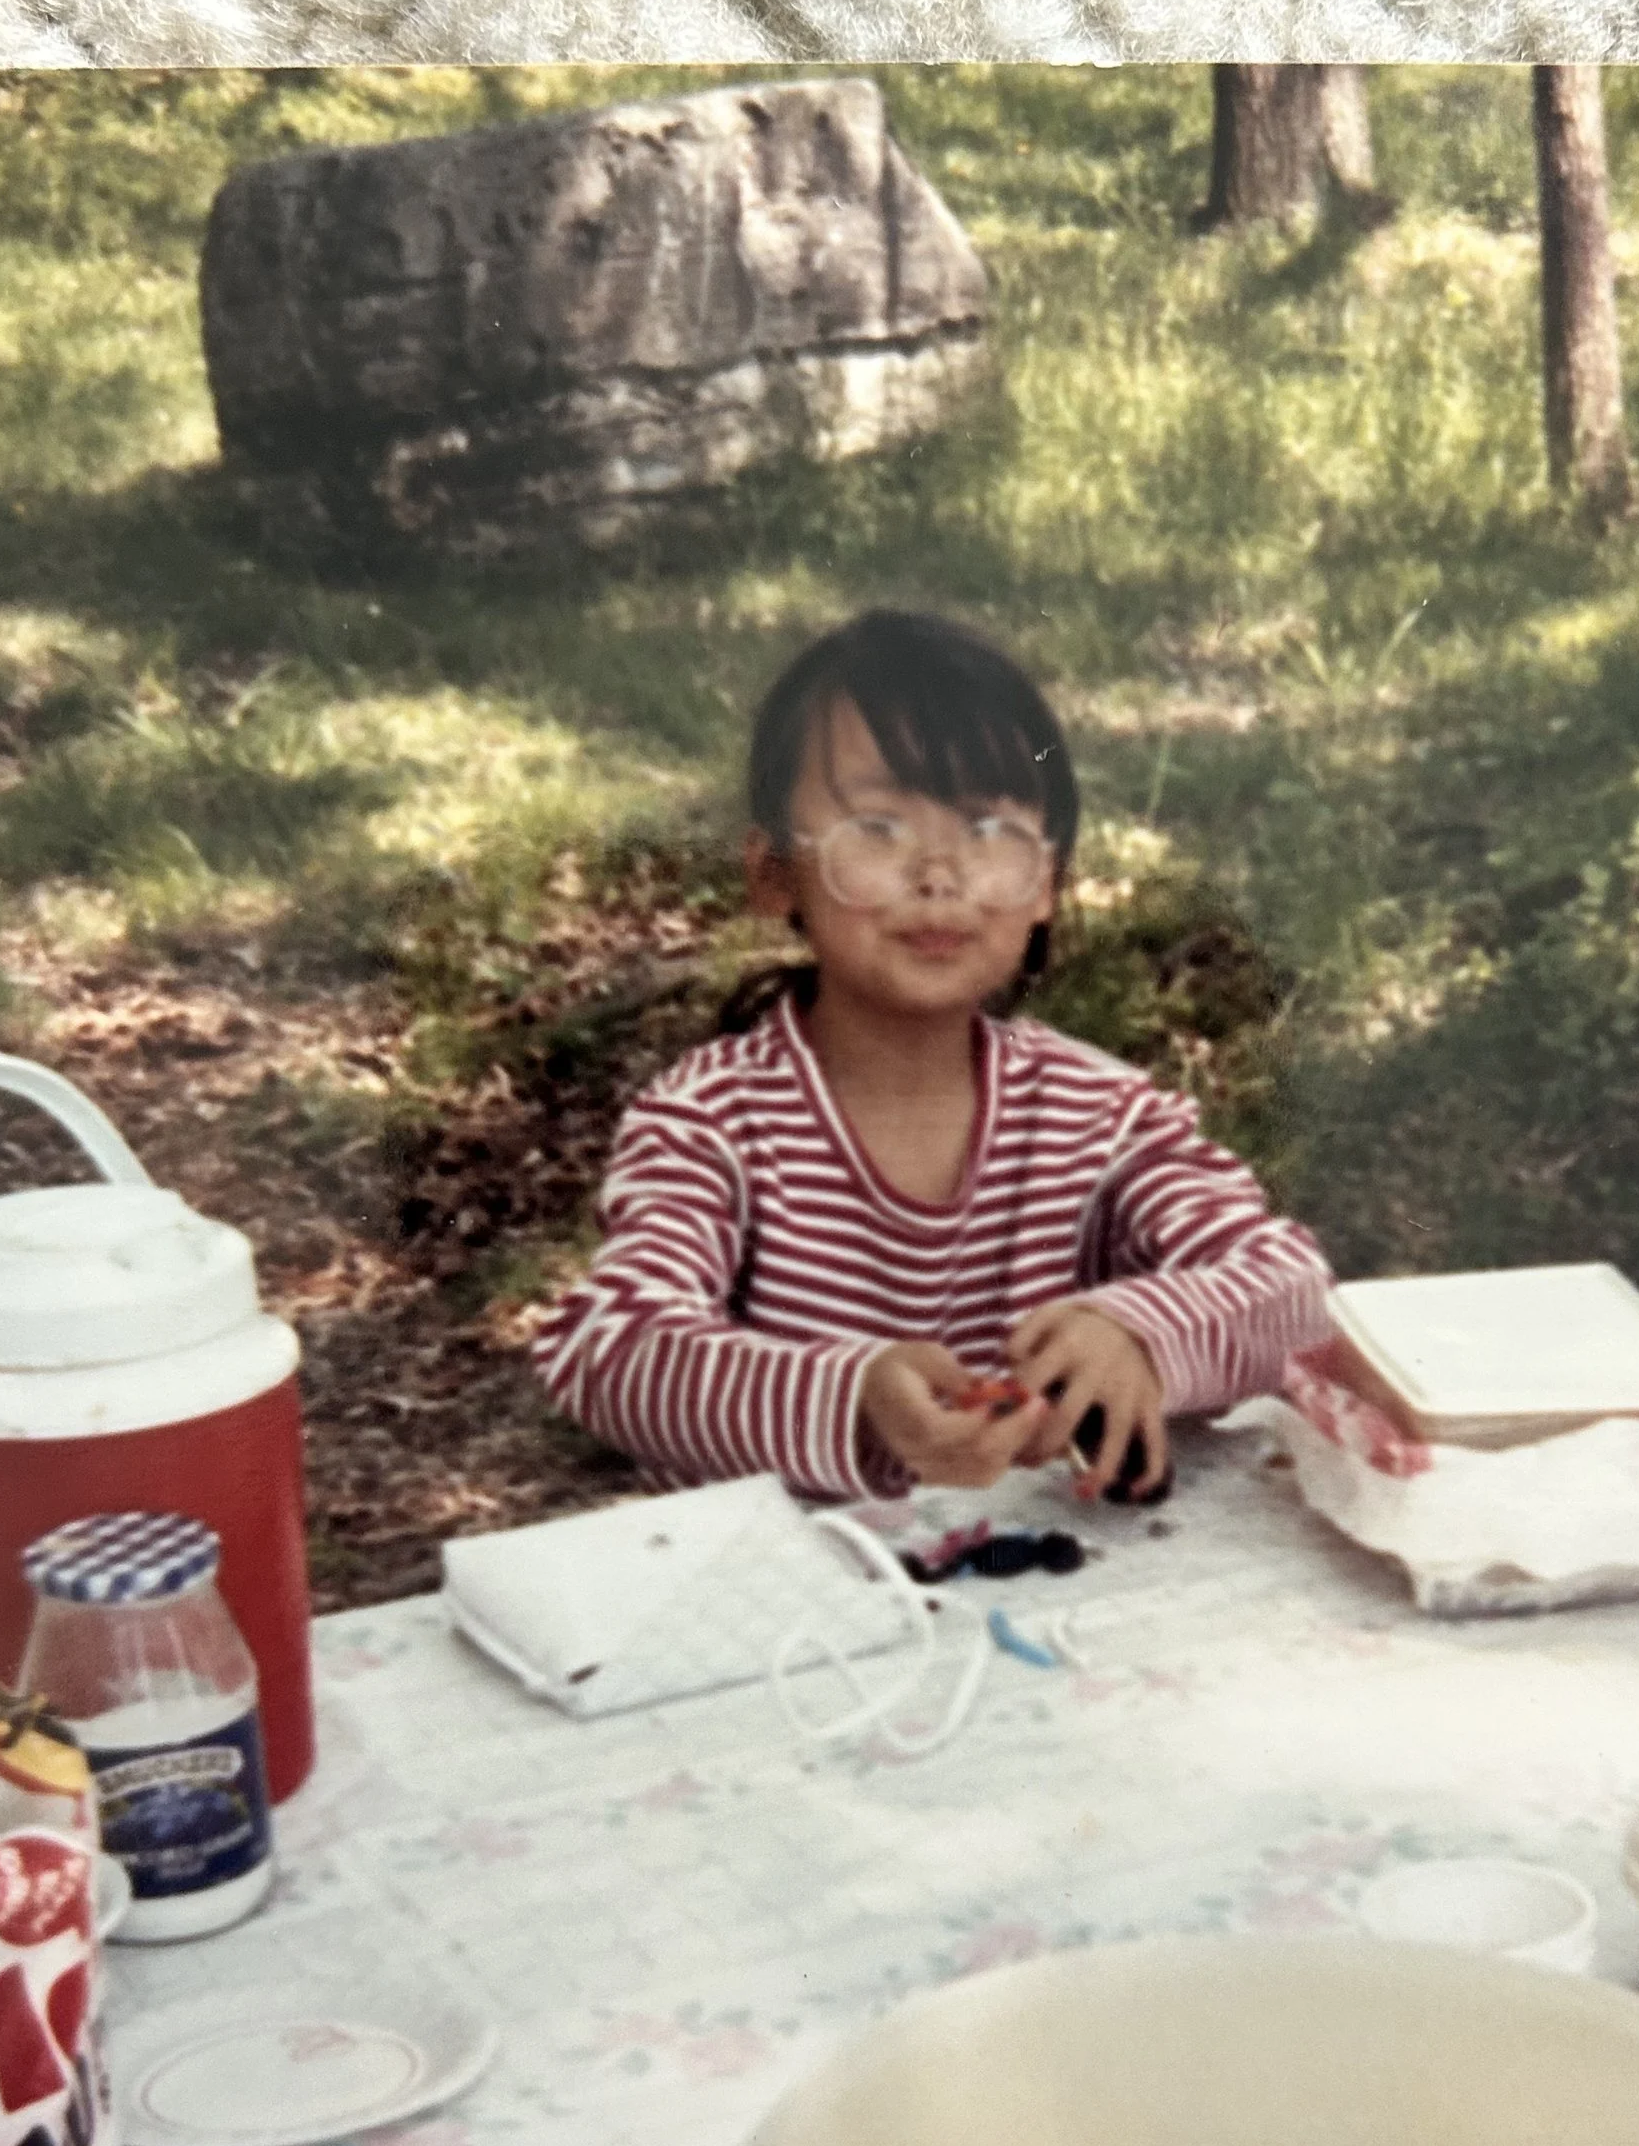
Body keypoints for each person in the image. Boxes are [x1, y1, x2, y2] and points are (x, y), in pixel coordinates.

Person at [533, 609, 1333, 1505]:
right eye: (878, 827)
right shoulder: (711, 1122)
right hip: (778, 1610)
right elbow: (608, 1348)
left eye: (989, 830)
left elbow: (1296, 1292)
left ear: (1045, 886)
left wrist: (1141, 1331)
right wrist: (857, 1396)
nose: (938, 872)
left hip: (1042, 1599)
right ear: (773, 875)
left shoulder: (1099, 1114)